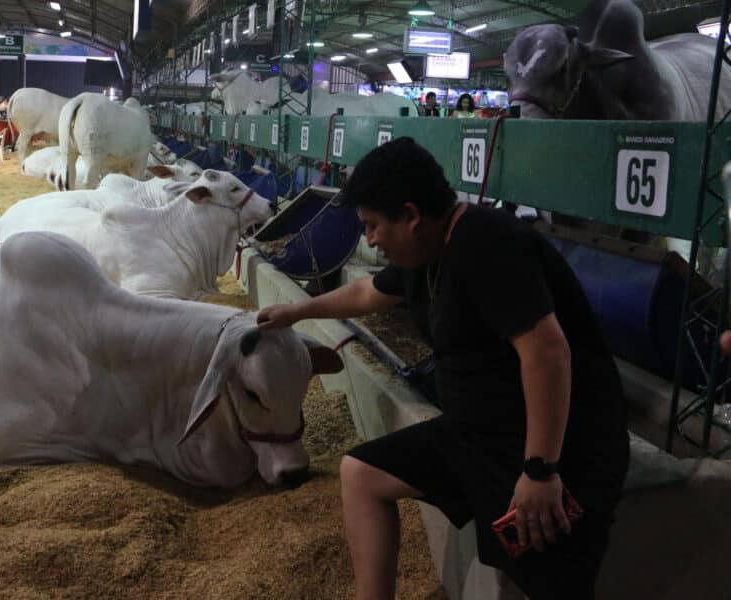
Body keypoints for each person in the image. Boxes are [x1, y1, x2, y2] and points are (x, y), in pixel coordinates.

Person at [257, 137, 629, 600]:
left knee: (551, 579)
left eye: (372, 226)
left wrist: (540, 471)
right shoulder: (426, 252)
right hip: (478, 433)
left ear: (411, 216)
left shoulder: (487, 242)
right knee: (362, 474)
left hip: (557, 445)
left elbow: (547, 352)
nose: (370, 240)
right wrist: (297, 312)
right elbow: (369, 294)